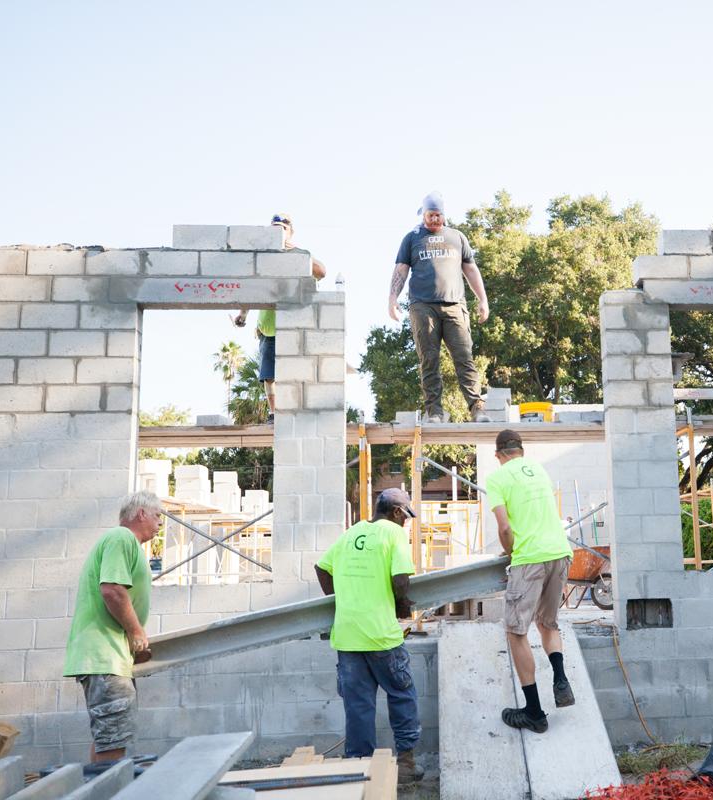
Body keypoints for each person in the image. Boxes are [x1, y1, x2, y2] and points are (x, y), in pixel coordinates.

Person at [316, 488, 424, 784]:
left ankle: (359, 769)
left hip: (349, 635)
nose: (406, 523)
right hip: (381, 636)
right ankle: (405, 764)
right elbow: (401, 578)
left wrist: (344, 600)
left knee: (359, 705)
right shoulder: (394, 533)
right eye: (406, 517)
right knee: (401, 694)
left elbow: (322, 568)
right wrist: (402, 605)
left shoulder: (352, 532)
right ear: (398, 512)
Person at [485, 429, 575, 733]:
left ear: (498, 455)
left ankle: (534, 713)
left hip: (530, 560)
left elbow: (505, 527)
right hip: (560, 553)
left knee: (515, 631)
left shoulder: (497, 478)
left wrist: (512, 552)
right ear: (521, 450)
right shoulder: (538, 469)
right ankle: (560, 678)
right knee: (548, 624)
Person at [62, 490, 162, 762]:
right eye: (157, 516)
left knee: (109, 739)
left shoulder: (124, 543)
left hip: (110, 656)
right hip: (105, 655)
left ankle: (100, 788)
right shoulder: (122, 537)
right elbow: (112, 590)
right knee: (113, 743)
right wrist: (136, 632)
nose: (160, 524)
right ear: (141, 514)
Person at [388, 192, 490, 423]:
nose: (434, 220)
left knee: (464, 357)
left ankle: (477, 407)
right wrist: (392, 299)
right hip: (423, 307)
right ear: (423, 214)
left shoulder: (457, 237)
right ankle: (434, 411)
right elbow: (401, 270)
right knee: (429, 359)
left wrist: (483, 299)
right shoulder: (412, 238)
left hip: (455, 305)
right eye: (430, 215)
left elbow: (471, 269)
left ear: (444, 215)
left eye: (438, 215)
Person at [235, 213, 327, 422]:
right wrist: (243, 314)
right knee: (269, 374)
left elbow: (321, 272)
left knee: (297, 371)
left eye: (282, 228)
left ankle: (300, 409)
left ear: (290, 232)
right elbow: (252, 288)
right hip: (268, 327)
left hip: (294, 327)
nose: (277, 231)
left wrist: (294, 253)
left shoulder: (298, 255)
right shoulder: (263, 257)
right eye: (273, 228)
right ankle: (274, 413)